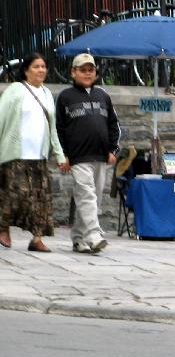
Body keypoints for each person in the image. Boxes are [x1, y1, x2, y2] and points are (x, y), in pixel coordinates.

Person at [0, 52, 67, 252]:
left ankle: (36, 239)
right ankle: (3, 229)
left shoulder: (46, 93)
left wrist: (60, 155)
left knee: (40, 199)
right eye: (36, 66)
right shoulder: (15, 90)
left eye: (43, 66)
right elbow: (1, 117)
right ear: (26, 70)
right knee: (13, 195)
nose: (41, 70)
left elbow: (53, 128)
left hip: (39, 155)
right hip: (15, 154)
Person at [56, 53, 120, 253]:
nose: (87, 73)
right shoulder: (65, 97)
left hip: (100, 155)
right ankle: (93, 235)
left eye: (90, 70)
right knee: (86, 195)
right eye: (82, 70)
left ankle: (78, 238)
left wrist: (113, 149)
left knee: (93, 199)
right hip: (78, 156)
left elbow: (113, 124)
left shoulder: (103, 96)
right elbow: (59, 128)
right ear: (73, 72)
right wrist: (63, 155)